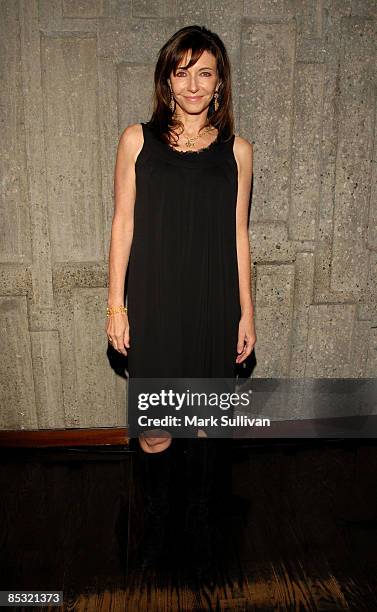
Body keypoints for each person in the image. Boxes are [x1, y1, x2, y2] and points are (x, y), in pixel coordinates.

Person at [106, 24, 256, 579]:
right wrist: (115, 305)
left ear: (219, 84)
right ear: (167, 78)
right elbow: (122, 225)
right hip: (155, 297)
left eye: (205, 73)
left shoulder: (237, 151)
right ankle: (157, 529)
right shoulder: (136, 141)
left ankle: (199, 532)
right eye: (182, 71)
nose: (193, 84)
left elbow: (239, 236)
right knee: (155, 428)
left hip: (212, 301)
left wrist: (247, 311)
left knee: (201, 425)